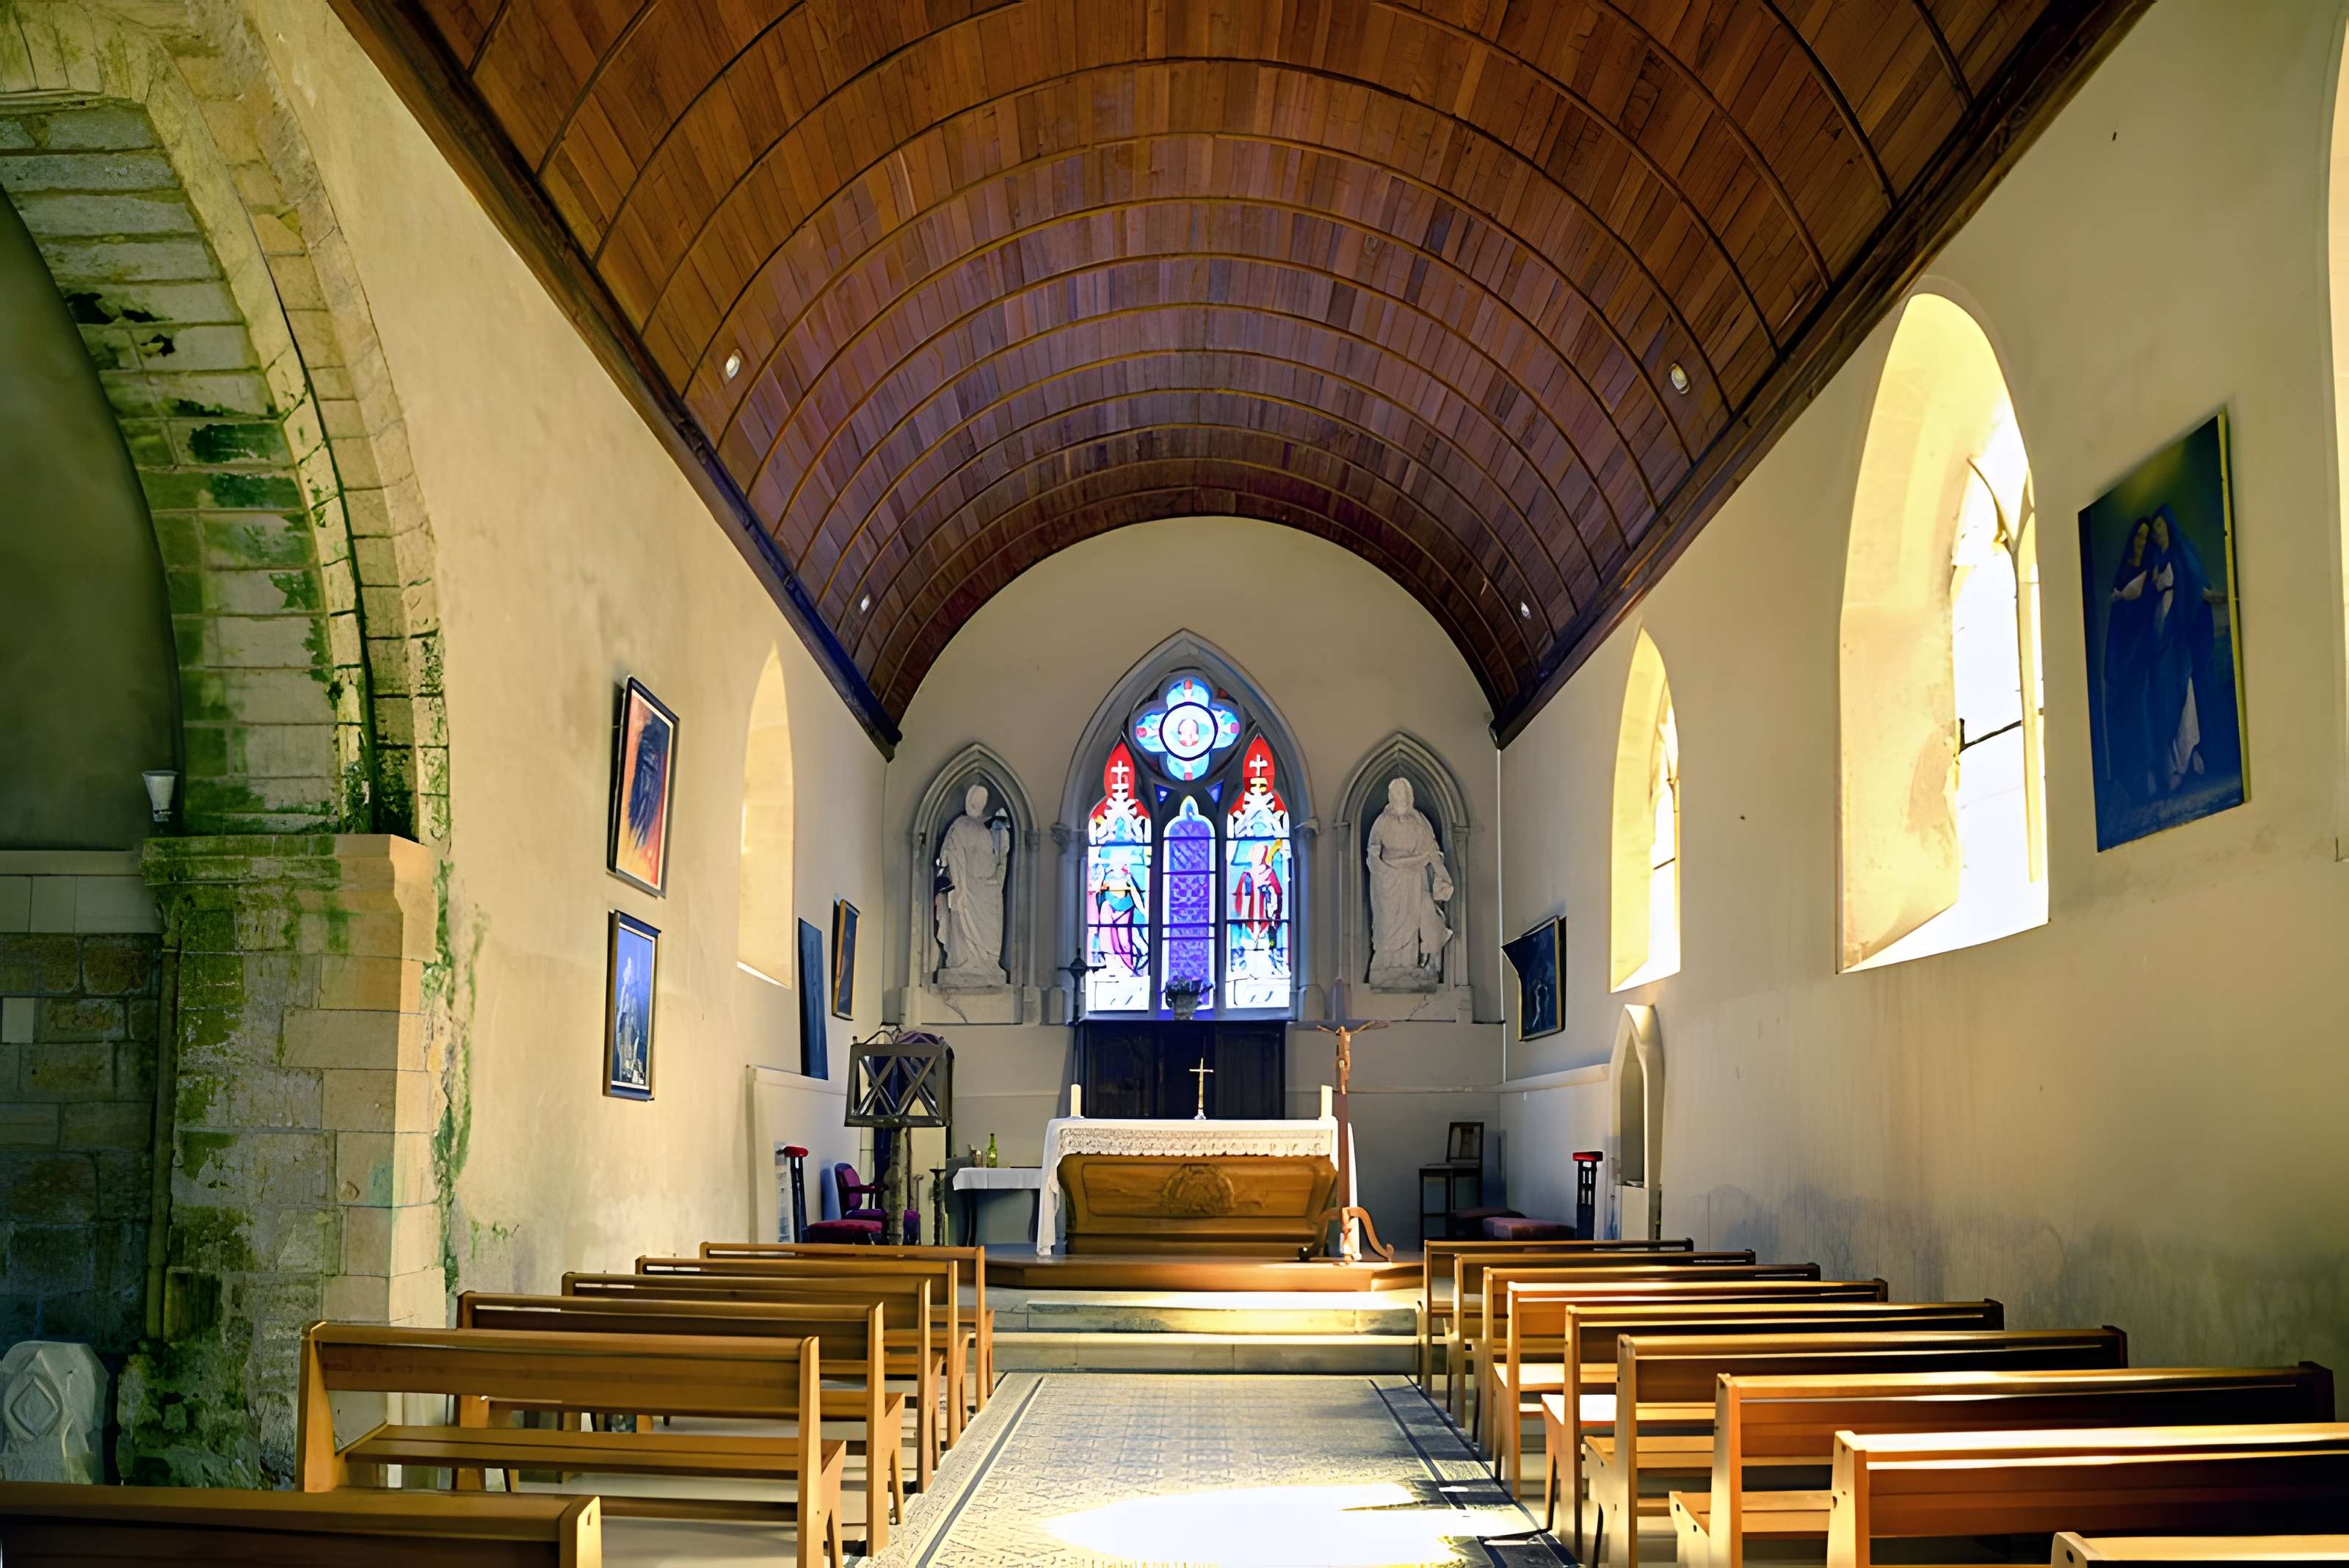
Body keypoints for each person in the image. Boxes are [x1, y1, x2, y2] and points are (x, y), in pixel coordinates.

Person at [1366, 777, 1453, 988]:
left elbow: (1432, 854)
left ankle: (1418, 966)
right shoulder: (1382, 822)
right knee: (1388, 927)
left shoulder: (1419, 821)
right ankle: (1387, 969)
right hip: (1389, 883)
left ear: (1409, 796)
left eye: (1404, 794)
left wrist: (1444, 878)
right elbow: (1373, 855)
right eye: (1396, 795)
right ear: (1391, 797)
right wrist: (1387, 867)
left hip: (1415, 880)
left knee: (1424, 914)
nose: (1400, 798)